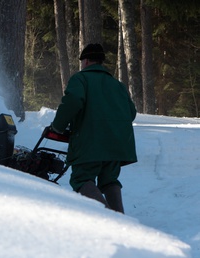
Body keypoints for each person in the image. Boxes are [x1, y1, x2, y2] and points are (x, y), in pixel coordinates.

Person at [50, 43, 137, 213]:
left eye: (82, 61)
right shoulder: (117, 85)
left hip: (91, 142)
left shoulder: (81, 79)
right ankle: (121, 218)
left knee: (82, 179)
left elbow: (73, 101)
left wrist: (57, 126)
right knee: (109, 180)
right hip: (117, 144)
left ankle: (110, 219)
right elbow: (131, 113)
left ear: (87, 61)